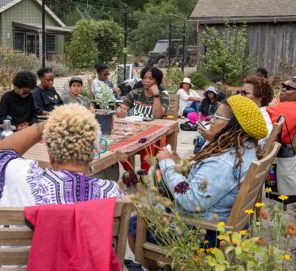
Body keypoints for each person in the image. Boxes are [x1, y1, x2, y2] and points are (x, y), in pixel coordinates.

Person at [128, 95, 268, 253]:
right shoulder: (245, 147)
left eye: (216, 116)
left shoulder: (224, 162)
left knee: (133, 223)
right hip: (221, 217)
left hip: (207, 232)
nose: (211, 121)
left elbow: (191, 200)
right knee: (157, 201)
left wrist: (166, 163)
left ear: (232, 125)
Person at [0, 103, 123, 207]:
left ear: (51, 156)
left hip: (37, 243)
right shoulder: (111, 193)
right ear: (93, 155)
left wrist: (44, 126)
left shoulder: (25, 181)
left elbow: (0, 154)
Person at [116, 66, 169, 171]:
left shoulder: (163, 96)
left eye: (150, 78)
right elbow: (122, 108)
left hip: (153, 132)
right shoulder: (135, 93)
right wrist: (120, 112)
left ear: (157, 81)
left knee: (147, 139)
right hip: (133, 129)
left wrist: (156, 95)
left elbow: (157, 115)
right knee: (117, 143)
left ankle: (143, 173)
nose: (146, 81)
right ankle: (130, 172)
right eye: (144, 78)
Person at [238, 75, 274, 147]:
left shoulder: (261, 121)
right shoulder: (250, 115)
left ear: (260, 97)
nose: (240, 96)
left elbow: (255, 145)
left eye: (245, 93)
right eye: (240, 92)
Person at [266, 76, 296, 144]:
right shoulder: (284, 102)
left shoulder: (290, 110)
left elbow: (273, 136)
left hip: (266, 146)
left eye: (288, 88)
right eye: (284, 86)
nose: (283, 89)